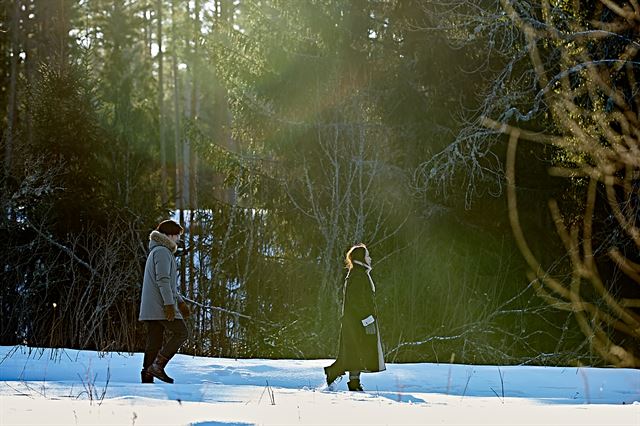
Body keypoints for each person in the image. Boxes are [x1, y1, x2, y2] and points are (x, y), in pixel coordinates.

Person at [324, 243, 385, 391]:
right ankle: (350, 381)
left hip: (356, 321)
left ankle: (350, 380)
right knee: (354, 351)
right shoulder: (358, 275)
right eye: (367, 256)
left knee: (355, 351)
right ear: (361, 258)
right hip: (356, 321)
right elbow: (357, 300)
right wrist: (367, 318)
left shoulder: (359, 273)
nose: (370, 258)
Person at [139, 219, 191, 384]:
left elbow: (168, 284)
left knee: (154, 341)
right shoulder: (162, 251)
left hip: (152, 306)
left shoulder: (158, 250)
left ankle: (147, 376)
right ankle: (157, 366)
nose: (177, 239)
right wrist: (169, 305)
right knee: (182, 333)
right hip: (159, 305)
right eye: (176, 235)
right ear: (168, 235)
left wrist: (180, 302)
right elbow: (163, 281)